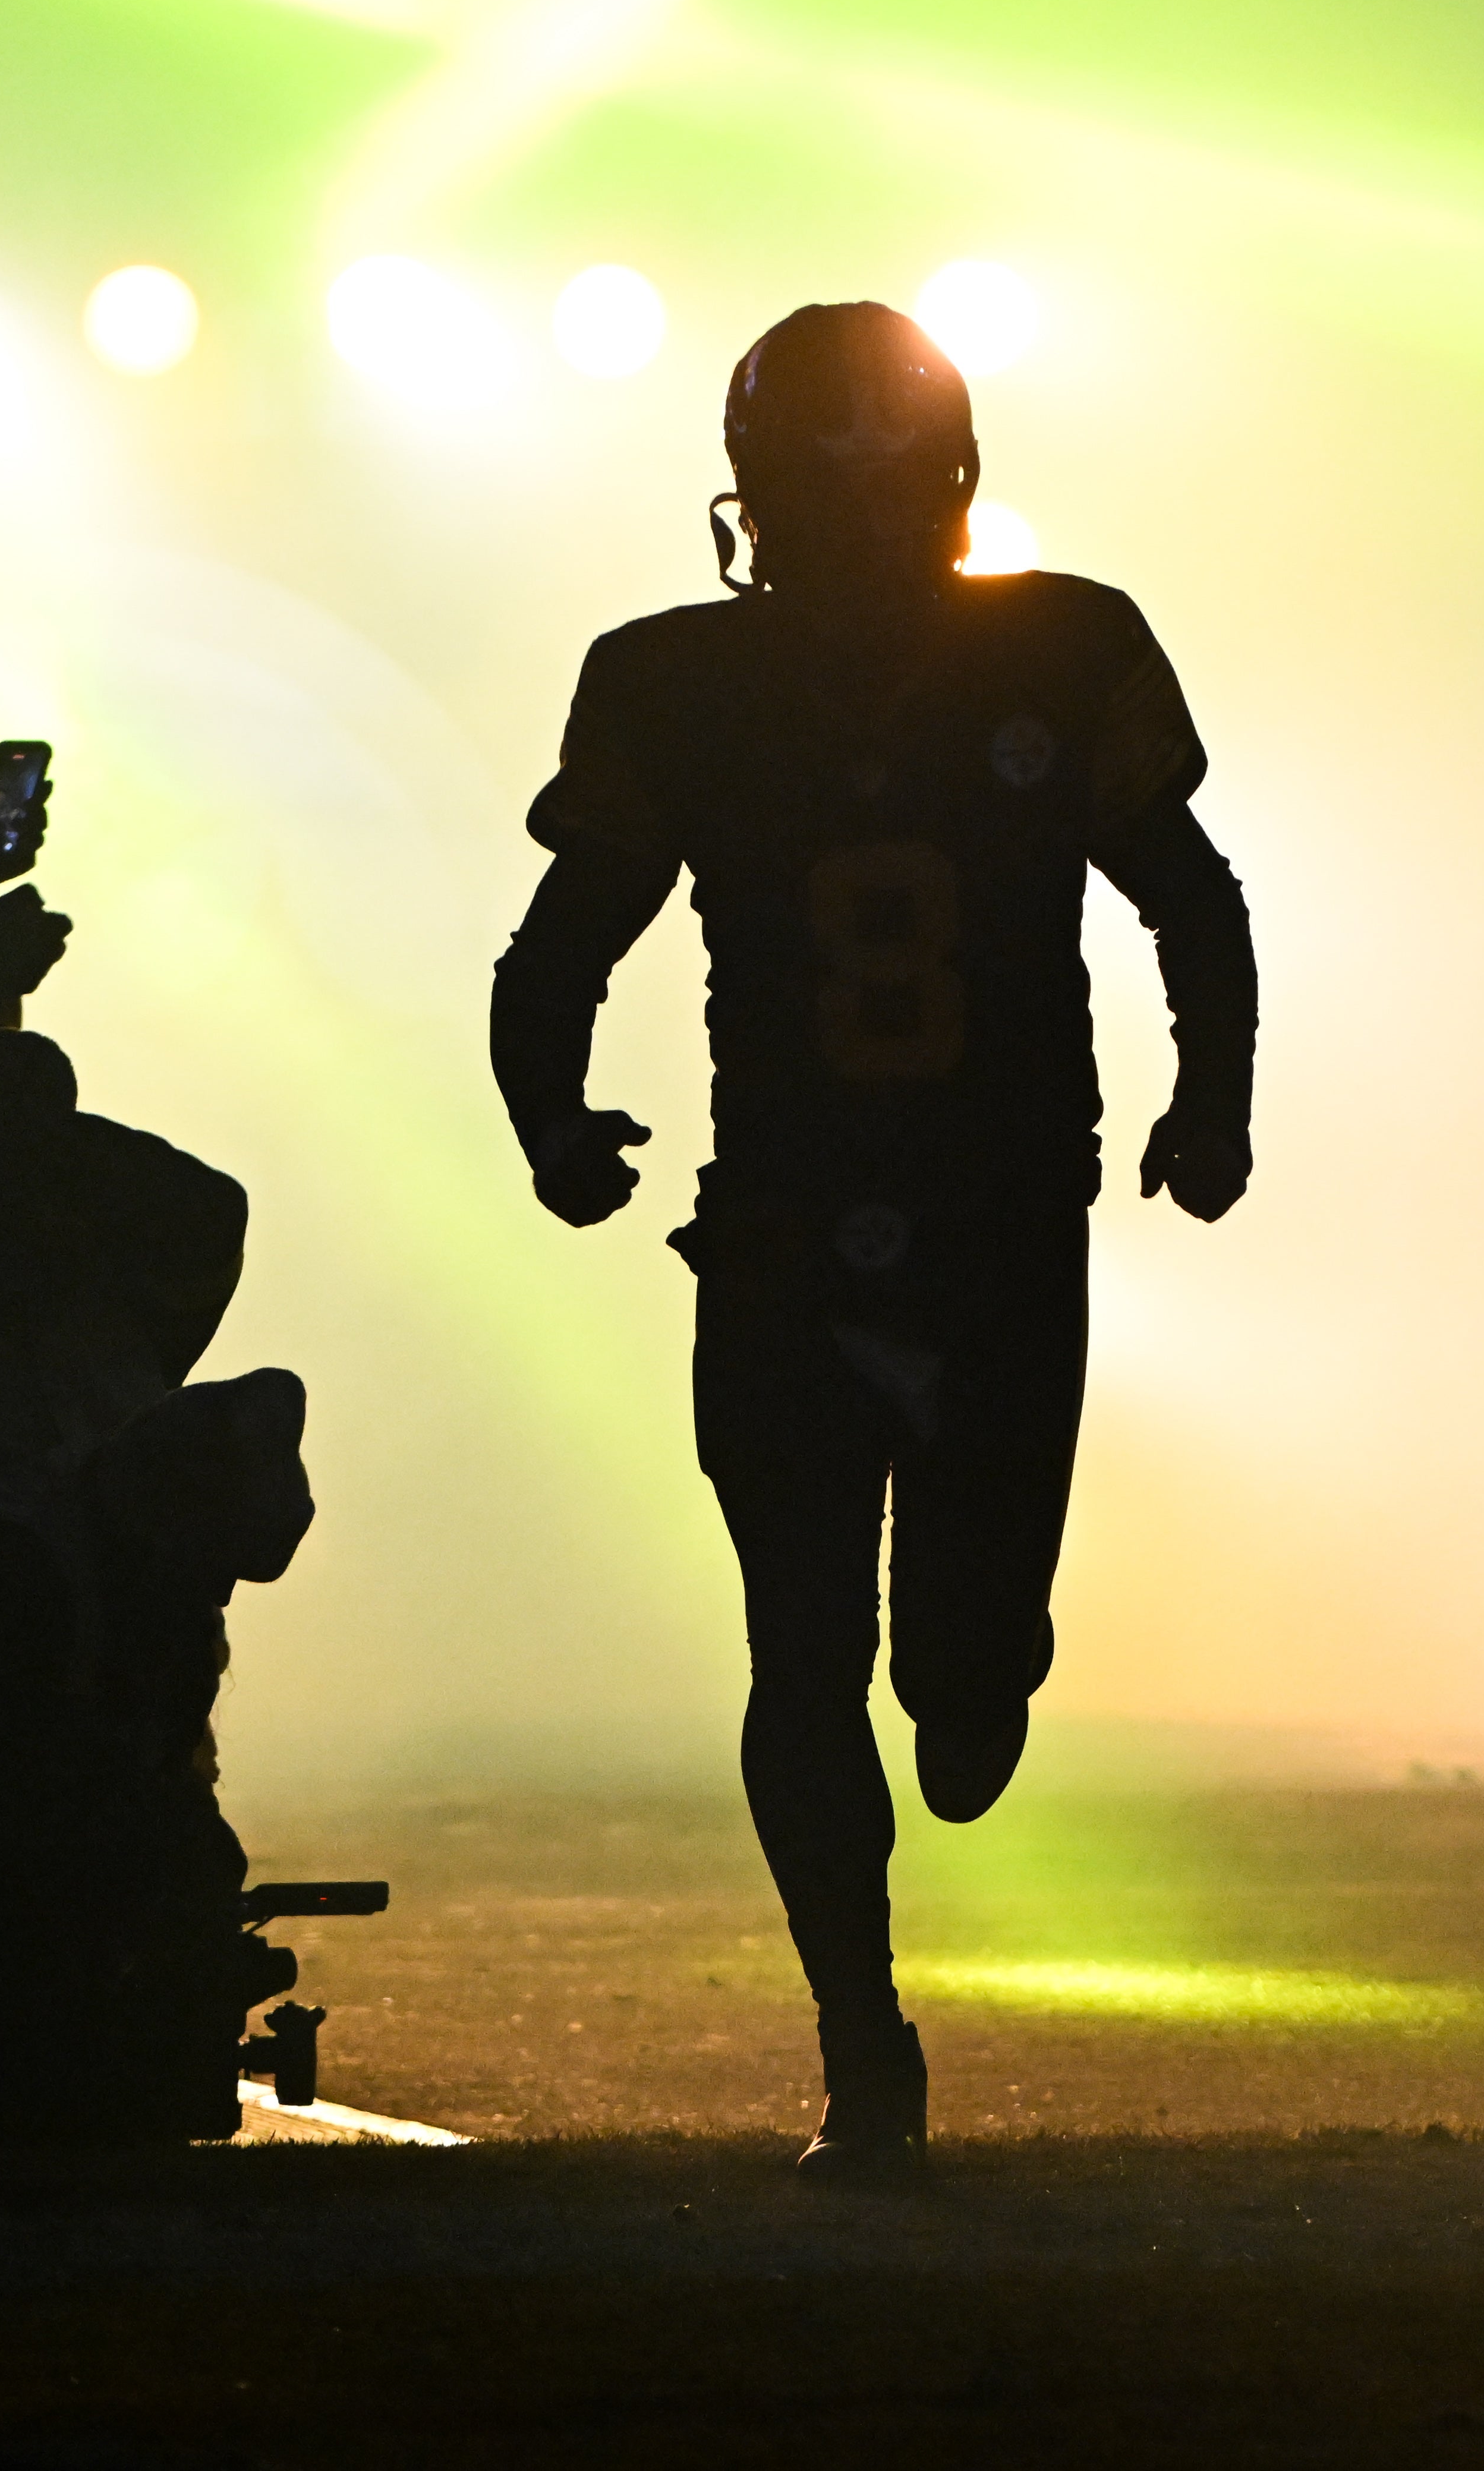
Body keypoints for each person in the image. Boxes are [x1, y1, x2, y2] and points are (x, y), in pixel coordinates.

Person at [490, 301, 1256, 2184]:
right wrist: (1206, 1101)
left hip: (920, 1219)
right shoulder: (1057, 644)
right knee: (813, 1648)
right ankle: (862, 2038)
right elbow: (1192, 901)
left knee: (925, 1687)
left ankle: (877, 1983)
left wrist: (556, 1128)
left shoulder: (691, 677)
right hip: (867, 1222)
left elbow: (556, 953)